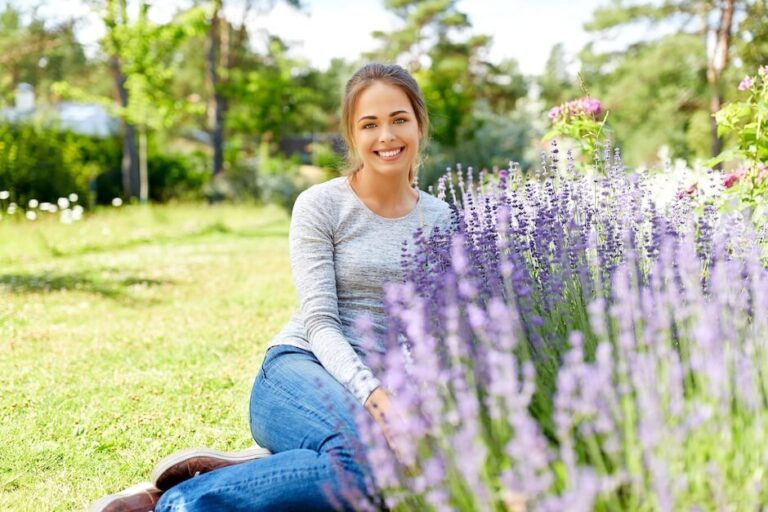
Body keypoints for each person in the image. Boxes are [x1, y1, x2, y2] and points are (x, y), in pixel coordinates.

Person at [89, 62, 452, 512]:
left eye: (399, 119)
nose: (386, 137)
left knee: (396, 483)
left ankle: (243, 470)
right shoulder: (321, 205)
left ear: (419, 123)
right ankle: (176, 503)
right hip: (300, 369)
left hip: (378, 390)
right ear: (352, 135)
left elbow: (432, 330)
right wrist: (379, 401)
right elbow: (321, 324)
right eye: (369, 124)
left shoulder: (441, 219)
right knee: (366, 466)